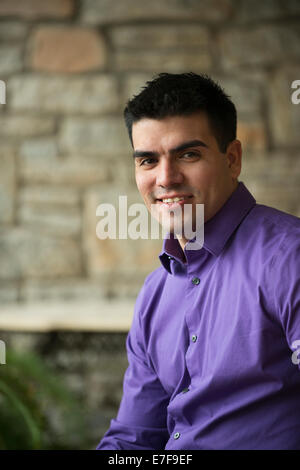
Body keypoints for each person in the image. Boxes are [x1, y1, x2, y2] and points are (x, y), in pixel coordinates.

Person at [96, 73, 300, 450]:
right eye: (148, 161)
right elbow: (133, 440)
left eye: (188, 154)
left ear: (232, 159)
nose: (166, 178)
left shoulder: (289, 259)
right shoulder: (155, 294)